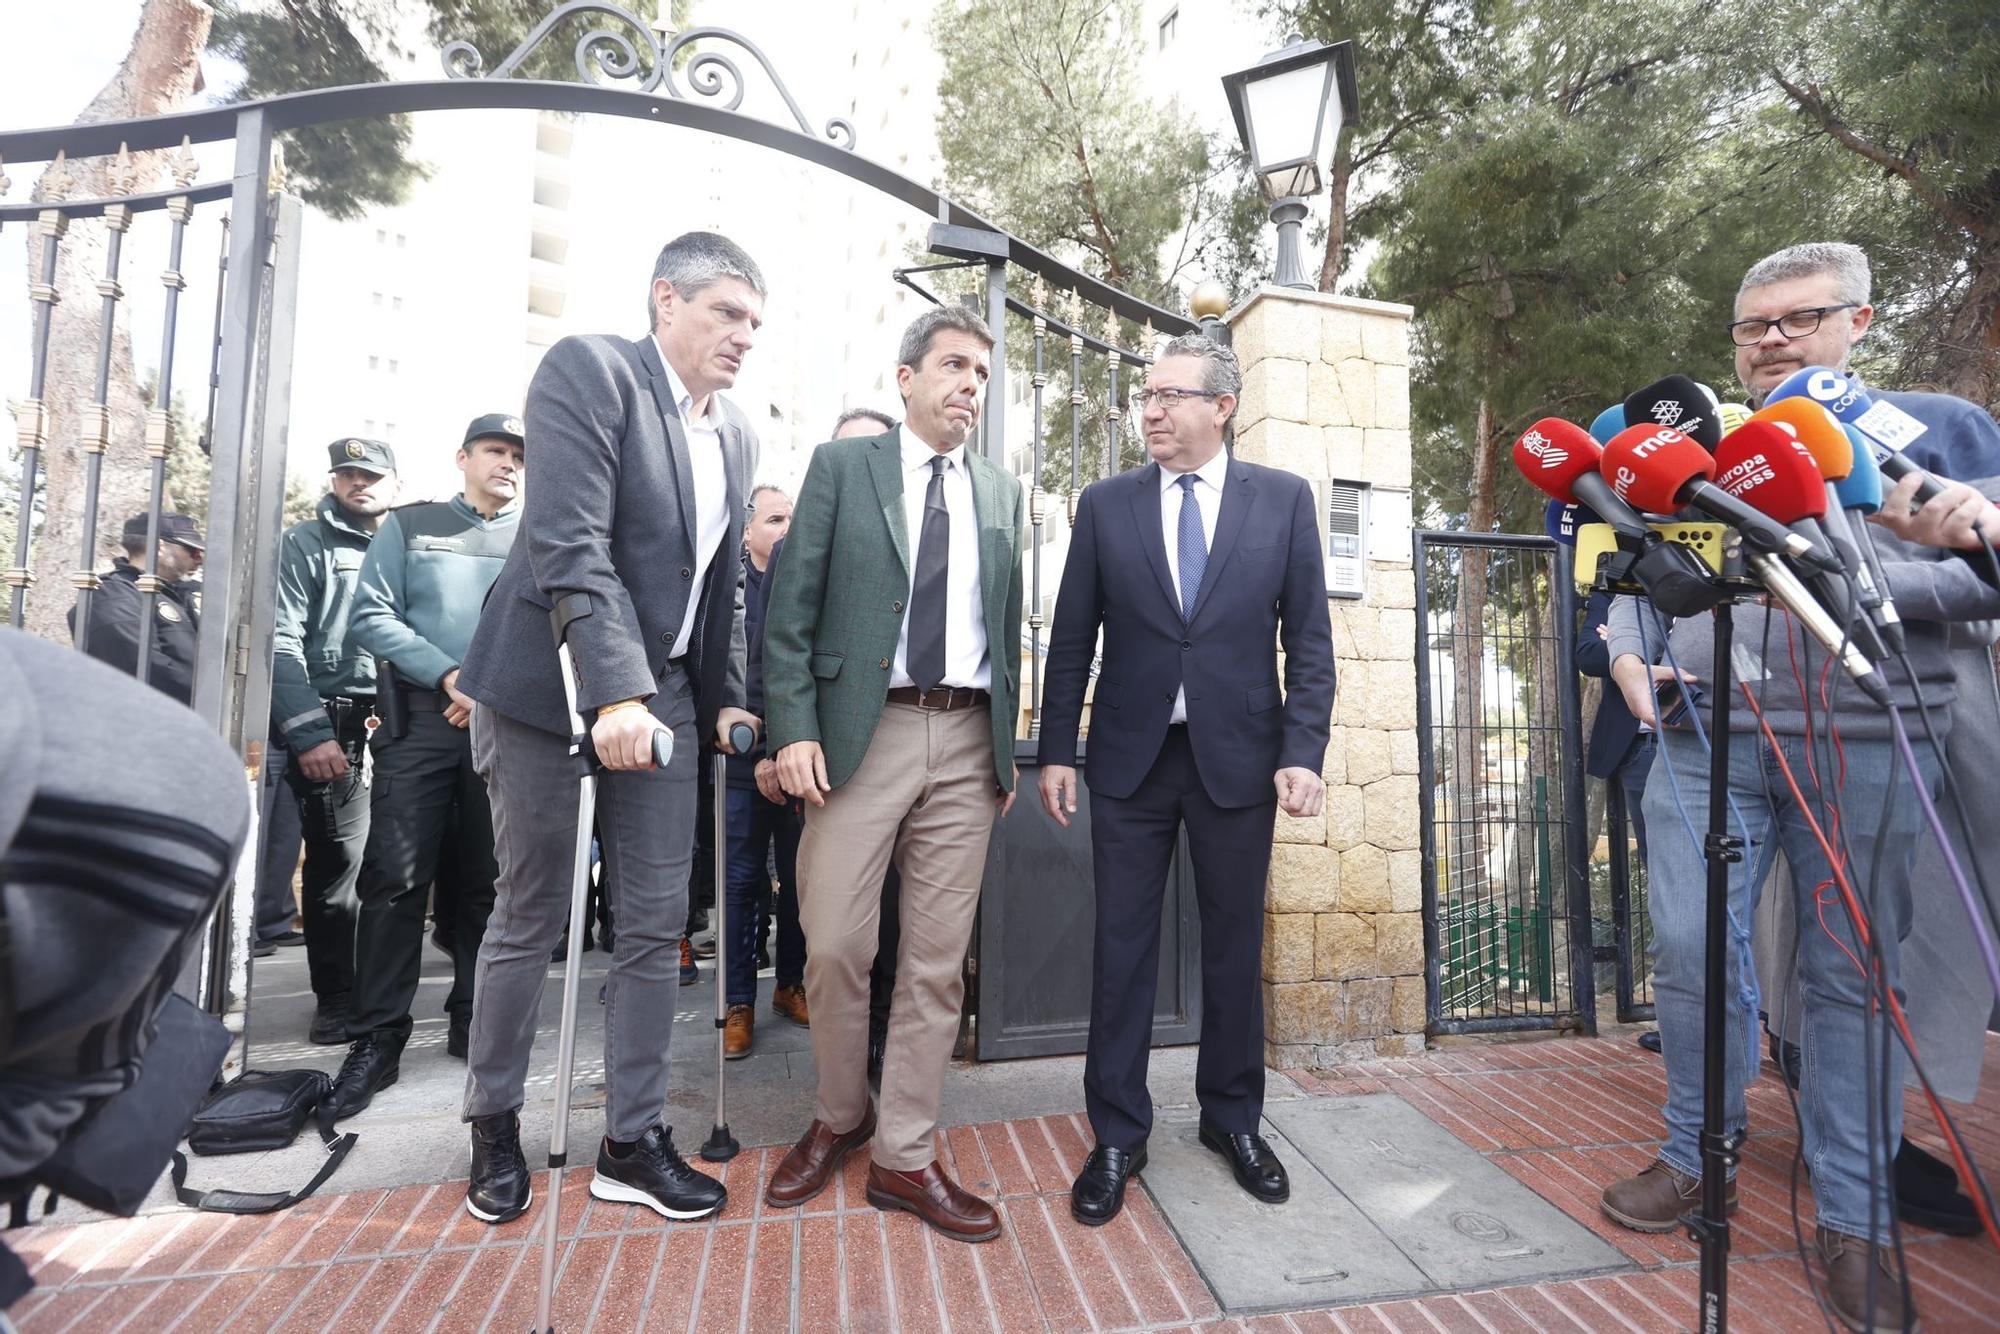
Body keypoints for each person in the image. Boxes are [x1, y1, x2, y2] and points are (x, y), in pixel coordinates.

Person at [1600, 241, 2000, 1332]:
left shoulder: (1940, 433)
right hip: (1700, 739)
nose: (1769, 340)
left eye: (1796, 319)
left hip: (1869, 739)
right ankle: (1694, 1159)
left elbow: (1982, 568)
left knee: (1849, 978)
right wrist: (1628, 646)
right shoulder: (1697, 439)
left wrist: (1854, 570)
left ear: (1857, 324)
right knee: (1688, 951)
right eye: (1751, 326)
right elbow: (1631, 569)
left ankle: (1856, 1219)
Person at [452, 232, 764, 1227]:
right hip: (550, 686)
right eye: (726, 312)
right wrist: (613, 689)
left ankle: (631, 1140)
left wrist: (717, 693)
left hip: (664, 698)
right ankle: (493, 1123)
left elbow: (718, 585)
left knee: (655, 924)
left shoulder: (738, 431)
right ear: (664, 299)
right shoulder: (592, 369)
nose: (742, 336)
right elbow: (569, 539)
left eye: (754, 322)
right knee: (531, 911)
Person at [1035, 333, 1336, 1227]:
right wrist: (1058, 748)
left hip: (1240, 762)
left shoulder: (1280, 502)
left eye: (1171, 395)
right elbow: (1071, 638)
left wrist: (1302, 751)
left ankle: (1232, 1119)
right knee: (1121, 952)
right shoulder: (1106, 505)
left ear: (1222, 407)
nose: (1152, 411)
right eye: (1146, 396)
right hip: (1131, 762)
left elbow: (1310, 643)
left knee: (1235, 945)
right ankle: (1119, 1133)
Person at [761, 307, 1024, 1244]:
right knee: (832, 943)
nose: (970, 386)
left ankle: (906, 1157)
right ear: (907, 376)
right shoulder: (844, 470)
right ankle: (842, 1115)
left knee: (935, 964)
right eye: (954, 365)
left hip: (964, 742)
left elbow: (1009, 622)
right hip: (856, 738)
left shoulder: (1003, 491)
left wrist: (1004, 747)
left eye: (982, 375)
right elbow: (789, 613)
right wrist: (790, 728)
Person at [326, 415, 524, 1118]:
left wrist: (487, 686)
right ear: (463, 457)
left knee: (488, 882)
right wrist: (449, 676)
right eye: (495, 450)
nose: (507, 463)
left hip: (504, 722)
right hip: (423, 723)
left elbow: (547, 623)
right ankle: (377, 1037)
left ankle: (476, 1016)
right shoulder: (409, 527)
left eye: (516, 455)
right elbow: (372, 616)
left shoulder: (536, 534)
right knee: (394, 878)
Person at [270, 439, 399, 1045]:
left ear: (393, 483)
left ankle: (388, 990)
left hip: (407, 715)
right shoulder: (306, 544)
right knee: (337, 867)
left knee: (403, 862)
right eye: (348, 474)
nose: (358, 483)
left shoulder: (406, 541)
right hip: (336, 722)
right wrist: (310, 731)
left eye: (371, 474)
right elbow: (279, 642)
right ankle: (337, 997)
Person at [721, 482, 805, 1058]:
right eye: (775, 518)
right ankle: (738, 1001)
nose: (786, 528)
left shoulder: (806, 582)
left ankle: (791, 983)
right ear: (748, 529)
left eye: (792, 518)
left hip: (796, 753)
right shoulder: (723, 590)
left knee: (803, 881)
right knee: (740, 881)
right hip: (737, 758)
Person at [68, 511, 204, 705]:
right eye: (193, 551)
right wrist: (214, 699)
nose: (200, 559)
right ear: (159, 546)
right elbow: (144, 668)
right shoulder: (112, 596)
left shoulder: (178, 595)